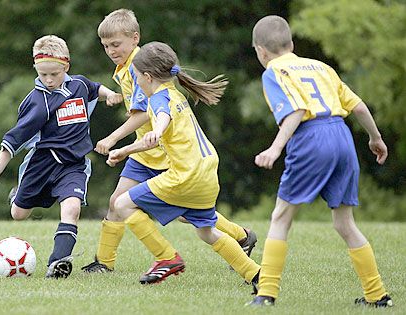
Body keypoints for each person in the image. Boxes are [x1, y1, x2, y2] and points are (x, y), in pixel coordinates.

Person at [81, 8, 257, 274]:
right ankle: (105, 263)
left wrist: (113, 138)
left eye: (115, 44)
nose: (110, 50)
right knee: (118, 202)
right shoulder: (127, 67)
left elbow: (143, 115)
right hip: (143, 151)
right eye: (105, 45)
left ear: (134, 38)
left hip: (162, 153)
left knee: (184, 212)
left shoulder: (141, 67)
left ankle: (232, 239)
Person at [246, 16, 393, 307]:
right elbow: (359, 106)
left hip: (312, 138)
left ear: (261, 51)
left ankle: (266, 295)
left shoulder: (273, 71)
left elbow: (297, 110)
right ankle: (377, 296)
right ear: (291, 44)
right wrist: (375, 138)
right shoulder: (321, 67)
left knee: (281, 217)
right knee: (344, 223)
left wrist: (275, 149)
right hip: (342, 136)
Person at [0, 35, 123, 279]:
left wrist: (112, 94)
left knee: (72, 209)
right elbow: (15, 137)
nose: (49, 80)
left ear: (66, 66)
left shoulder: (79, 85)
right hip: (41, 165)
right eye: (43, 75)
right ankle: (17, 196)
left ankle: (58, 264)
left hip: (72, 165)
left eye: (54, 74)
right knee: (18, 215)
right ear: (36, 70)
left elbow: (96, 88)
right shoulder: (37, 101)